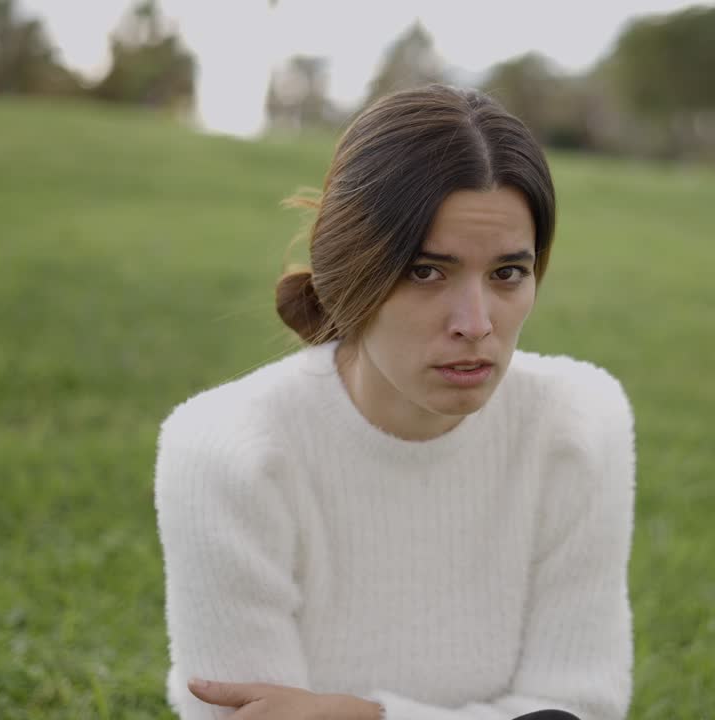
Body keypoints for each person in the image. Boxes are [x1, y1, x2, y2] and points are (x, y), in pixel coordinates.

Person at [153, 84, 636, 720]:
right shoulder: (225, 447)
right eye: (425, 271)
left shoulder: (578, 422)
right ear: (350, 271)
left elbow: (578, 709)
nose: (476, 324)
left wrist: (366, 716)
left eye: (508, 274)